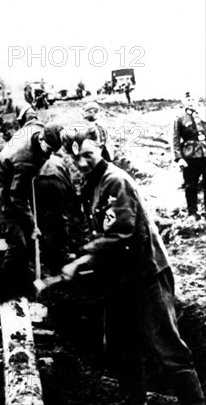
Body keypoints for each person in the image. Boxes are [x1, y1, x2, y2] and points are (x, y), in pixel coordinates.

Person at [60, 126, 205, 405]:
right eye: (77, 157)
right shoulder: (93, 183)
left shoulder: (115, 181)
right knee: (120, 349)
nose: (83, 162)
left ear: (100, 146)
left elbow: (121, 235)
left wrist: (83, 259)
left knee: (168, 350)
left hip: (146, 274)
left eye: (88, 154)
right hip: (120, 279)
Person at [0, 122, 64, 293]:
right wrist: (32, 225)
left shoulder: (36, 129)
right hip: (0, 197)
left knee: (26, 236)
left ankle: (22, 272)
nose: (50, 155)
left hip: (13, 185)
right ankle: (6, 286)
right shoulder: (25, 161)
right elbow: (17, 199)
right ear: (41, 139)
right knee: (18, 242)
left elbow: (31, 119)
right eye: (49, 149)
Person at [35, 152, 82, 274]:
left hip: (40, 184)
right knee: (60, 220)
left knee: (44, 222)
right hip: (57, 184)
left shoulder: (42, 159)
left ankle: (46, 255)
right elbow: (71, 183)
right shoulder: (62, 161)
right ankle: (62, 254)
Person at [172, 94, 206, 220]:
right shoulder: (180, 118)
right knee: (191, 185)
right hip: (189, 156)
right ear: (183, 101)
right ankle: (193, 212)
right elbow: (175, 139)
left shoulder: (203, 115)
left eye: (193, 99)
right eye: (188, 100)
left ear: (197, 100)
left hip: (205, 154)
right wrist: (179, 158)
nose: (191, 102)